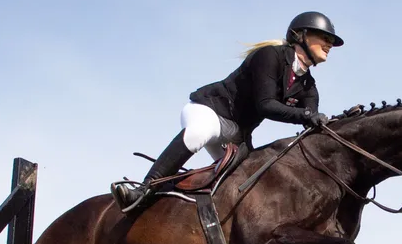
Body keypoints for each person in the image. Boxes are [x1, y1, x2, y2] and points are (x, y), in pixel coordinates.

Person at [111, 11, 343, 214]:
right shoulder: (270, 56)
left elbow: (311, 119)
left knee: (250, 179)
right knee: (199, 132)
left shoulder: (308, 87)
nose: (329, 44)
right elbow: (266, 104)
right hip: (210, 111)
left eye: (331, 40)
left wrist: (331, 122)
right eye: (325, 37)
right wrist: (305, 115)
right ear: (300, 35)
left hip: (236, 135)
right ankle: (143, 191)